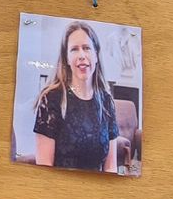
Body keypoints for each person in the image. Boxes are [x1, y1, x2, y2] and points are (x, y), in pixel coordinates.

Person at [33, 21, 119, 173]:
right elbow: (44, 170)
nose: (81, 55)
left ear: (96, 55)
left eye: (86, 48)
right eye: (74, 49)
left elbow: (111, 167)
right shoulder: (50, 100)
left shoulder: (106, 101)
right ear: (66, 58)